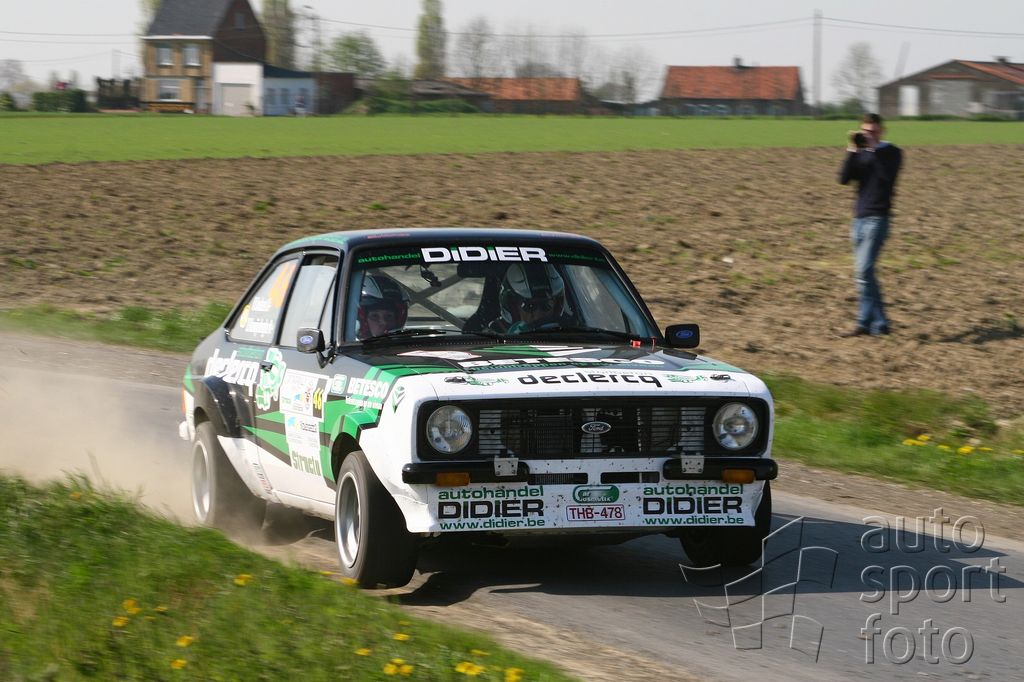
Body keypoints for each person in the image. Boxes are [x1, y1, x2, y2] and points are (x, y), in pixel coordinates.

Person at [837, 112, 903, 337]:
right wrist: (852, 150)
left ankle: (880, 323)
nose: (869, 135)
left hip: (878, 218)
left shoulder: (893, 153)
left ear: (882, 131)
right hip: (858, 218)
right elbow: (843, 179)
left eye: (873, 131)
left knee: (864, 269)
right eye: (865, 131)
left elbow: (886, 177)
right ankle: (866, 323)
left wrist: (873, 149)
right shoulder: (861, 153)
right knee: (863, 274)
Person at [494, 263, 574, 334]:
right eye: (529, 306)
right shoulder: (494, 337)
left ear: (556, 306)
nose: (538, 315)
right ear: (513, 308)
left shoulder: (572, 331)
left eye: (546, 305)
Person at [356, 273, 409, 339]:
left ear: (398, 319)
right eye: (375, 316)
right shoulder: (351, 344)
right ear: (364, 321)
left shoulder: (410, 344)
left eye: (389, 316)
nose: (384, 322)